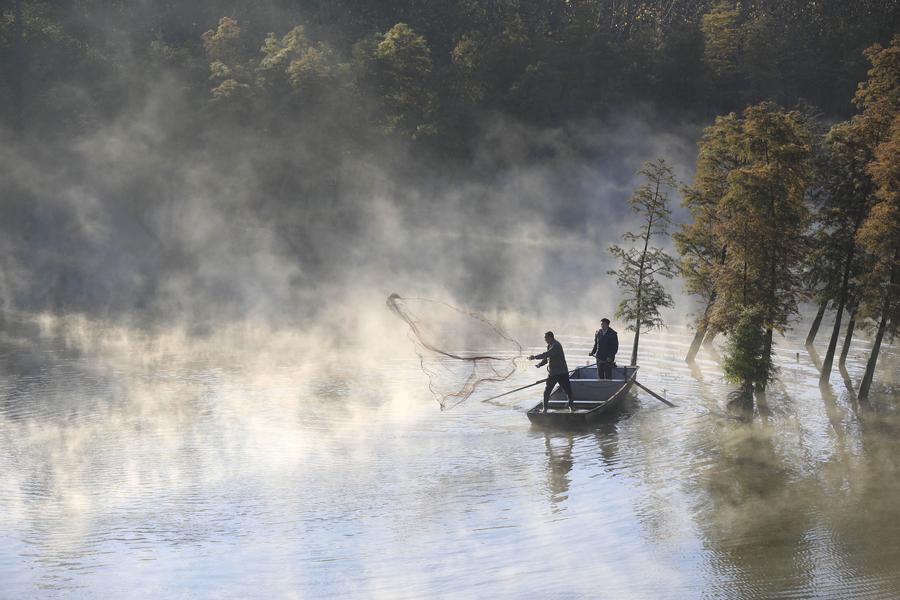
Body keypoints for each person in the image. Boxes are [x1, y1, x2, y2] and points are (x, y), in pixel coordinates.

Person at [529, 331, 574, 412]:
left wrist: (534, 357)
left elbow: (547, 354)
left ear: (550, 337)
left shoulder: (556, 345)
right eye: (545, 338)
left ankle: (571, 406)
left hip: (561, 373)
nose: (545, 339)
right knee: (547, 391)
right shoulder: (549, 345)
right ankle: (545, 408)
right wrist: (540, 364)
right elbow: (547, 359)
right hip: (553, 373)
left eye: (546, 338)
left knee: (568, 390)